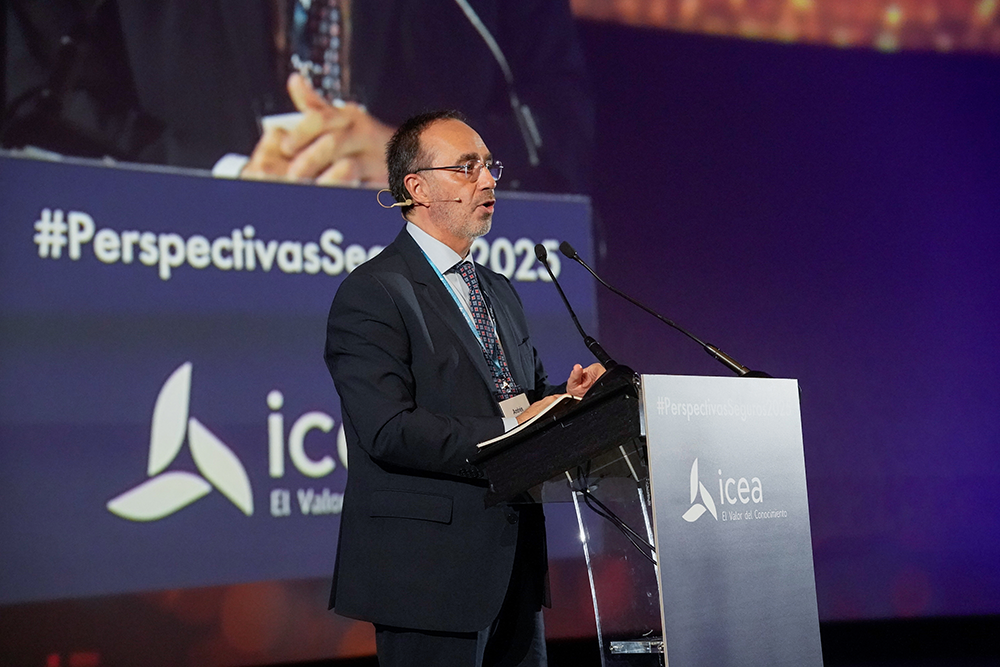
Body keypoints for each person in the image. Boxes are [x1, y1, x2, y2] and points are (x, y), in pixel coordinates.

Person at [323, 110, 603, 666]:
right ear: (417, 188)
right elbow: (389, 430)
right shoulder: (373, 292)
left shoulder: (498, 290)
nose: (488, 180)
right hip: (428, 575)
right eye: (466, 167)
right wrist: (515, 426)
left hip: (514, 565)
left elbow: (517, 398)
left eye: (489, 166)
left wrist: (567, 399)